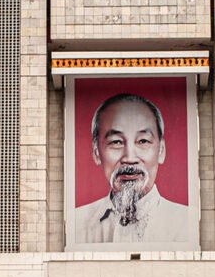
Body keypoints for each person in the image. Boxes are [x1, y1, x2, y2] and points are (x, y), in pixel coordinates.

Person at [72, 93, 190, 245]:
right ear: (96, 152)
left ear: (161, 150)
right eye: (116, 142)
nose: (129, 158)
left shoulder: (187, 223)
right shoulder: (75, 224)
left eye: (143, 141)